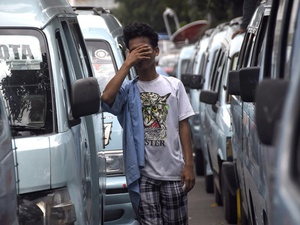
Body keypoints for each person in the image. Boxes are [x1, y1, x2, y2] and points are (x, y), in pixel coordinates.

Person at [101, 22, 196, 224]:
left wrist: (189, 164)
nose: (141, 56)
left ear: (156, 51)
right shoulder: (128, 89)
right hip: (144, 176)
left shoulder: (174, 85)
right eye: (135, 51)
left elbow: (183, 126)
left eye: (144, 50)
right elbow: (107, 98)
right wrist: (127, 64)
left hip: (173, 174)